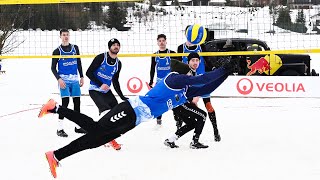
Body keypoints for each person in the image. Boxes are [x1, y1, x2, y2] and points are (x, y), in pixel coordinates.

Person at [38, 57, 238, 178]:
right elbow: (202, 79)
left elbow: (206, 87)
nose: (192, 70)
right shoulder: (175, 78)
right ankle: (56, 140)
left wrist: (226, 74)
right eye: (190, 69)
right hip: (131, 109)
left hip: (134, 119)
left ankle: (55, 138)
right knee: (96, 134)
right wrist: (223, 69)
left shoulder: (184, 89)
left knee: (96, 136)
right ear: (182, 71)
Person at [177, 25, 221, 142]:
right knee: (183, 107)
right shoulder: (181, 48)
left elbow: (207, 61)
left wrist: (214, 70)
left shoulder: (201, 46)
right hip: (188, 82)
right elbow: (178, 66)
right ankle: (179, 128)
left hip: (202, 81)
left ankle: (215, 131)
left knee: (208, 106)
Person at [86, 38, 127, 150]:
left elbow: (115, 81)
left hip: (106, 91)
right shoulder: (101, 57)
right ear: (109, 47)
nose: (116, 46)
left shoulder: (118, 63)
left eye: (118, 45)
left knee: (117, 112)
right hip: (95, 89)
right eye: (113, 45)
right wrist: (100, 84)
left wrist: (122, 96)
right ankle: (109, 140)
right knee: (105, 112)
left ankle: (98, 132)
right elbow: (88, 73)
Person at [165, 53, 209, 149]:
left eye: (197, 60)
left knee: (192, 123)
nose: (195, 62)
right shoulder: (186, 71)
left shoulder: (193, 74)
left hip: (179, 104)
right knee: (203, 115)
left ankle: (171, 140)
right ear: (188, 62)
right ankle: (194, 142)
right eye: (192, 60)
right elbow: (173, 62)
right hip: (180, 103)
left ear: (200, 62)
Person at [51, 28, 85, 137]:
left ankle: (78, 127)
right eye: (64, 35)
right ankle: (59, 129)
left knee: (77, 103)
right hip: (64, 81)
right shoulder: (57, 51)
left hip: (75, 79)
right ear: (60, 36)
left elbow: (79, 63)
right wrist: (59, 79)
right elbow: (53, 68)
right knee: (65, 104)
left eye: (67, 35)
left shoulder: (75, 48)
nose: (66, 36)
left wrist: (82, 76)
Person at [149, 34, 176, 125]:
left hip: (170, 81)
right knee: (158, 101)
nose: (161, 42)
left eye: (163, 40)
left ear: (166, 41)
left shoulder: (172, 53)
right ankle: (158, 121)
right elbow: (152, 69)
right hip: (159, 82)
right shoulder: (155, 55)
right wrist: (150, 81)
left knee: (174, 100)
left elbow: (177, 66)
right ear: (157, 42)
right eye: (159, 41)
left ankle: (177, 120)